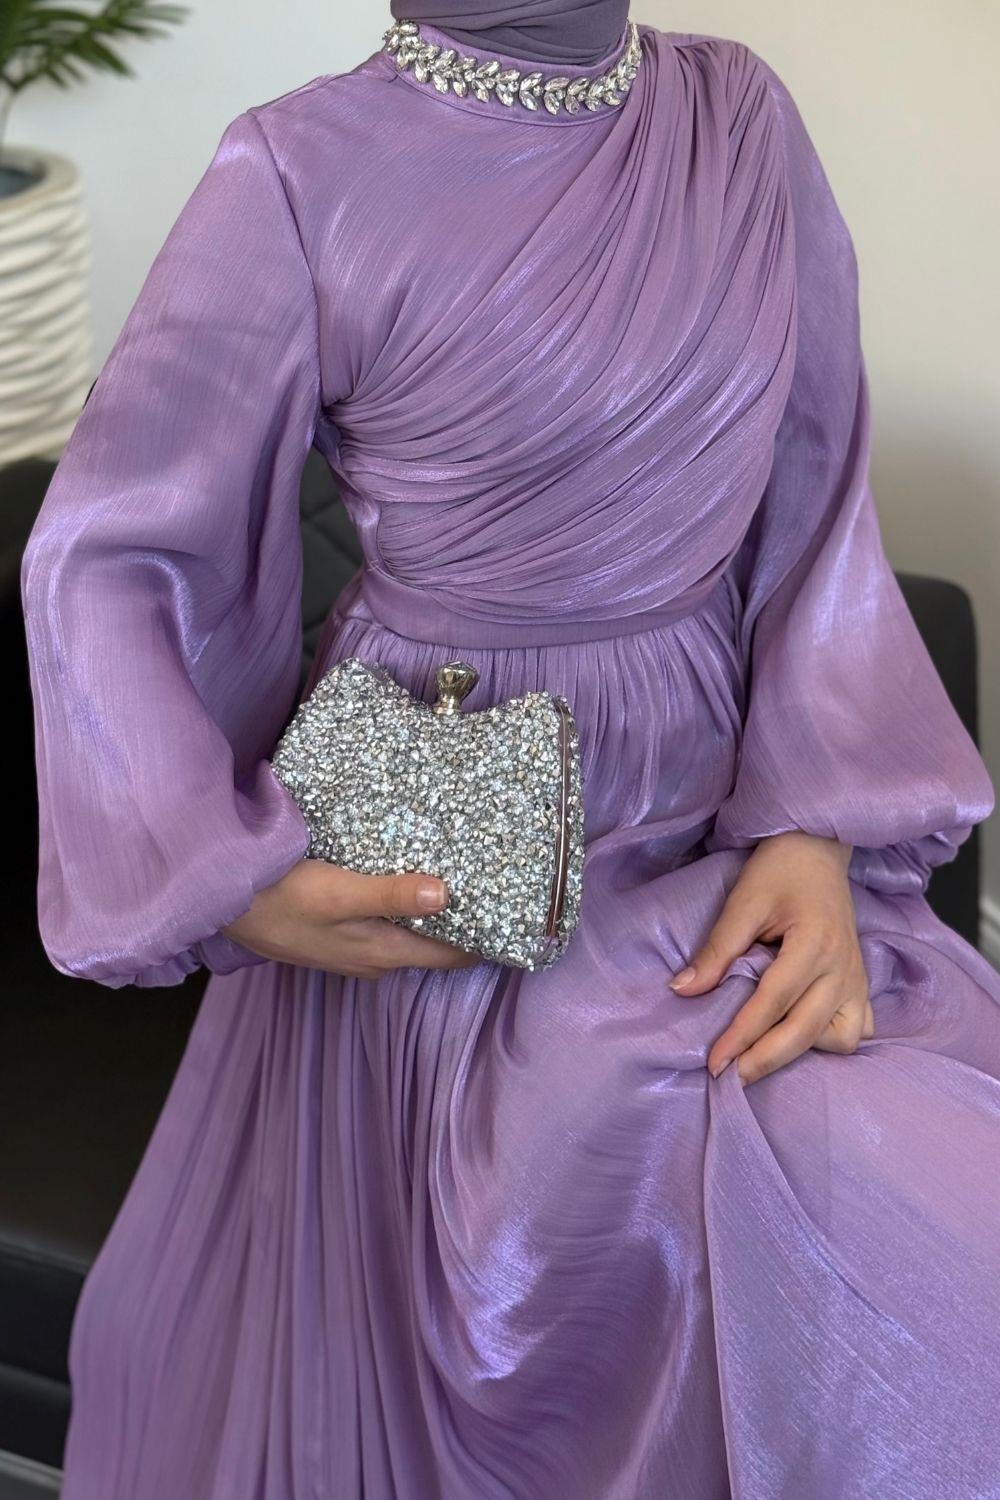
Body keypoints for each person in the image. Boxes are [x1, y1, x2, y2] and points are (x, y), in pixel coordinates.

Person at [20, 1, 1000, 1494]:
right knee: (566, 1269)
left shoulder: (739, 122)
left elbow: (817, 488)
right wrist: (224, 871)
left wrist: (814, 820)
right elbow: (105, 553)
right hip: (450, 894)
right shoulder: (297, 170)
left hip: (723, 855)